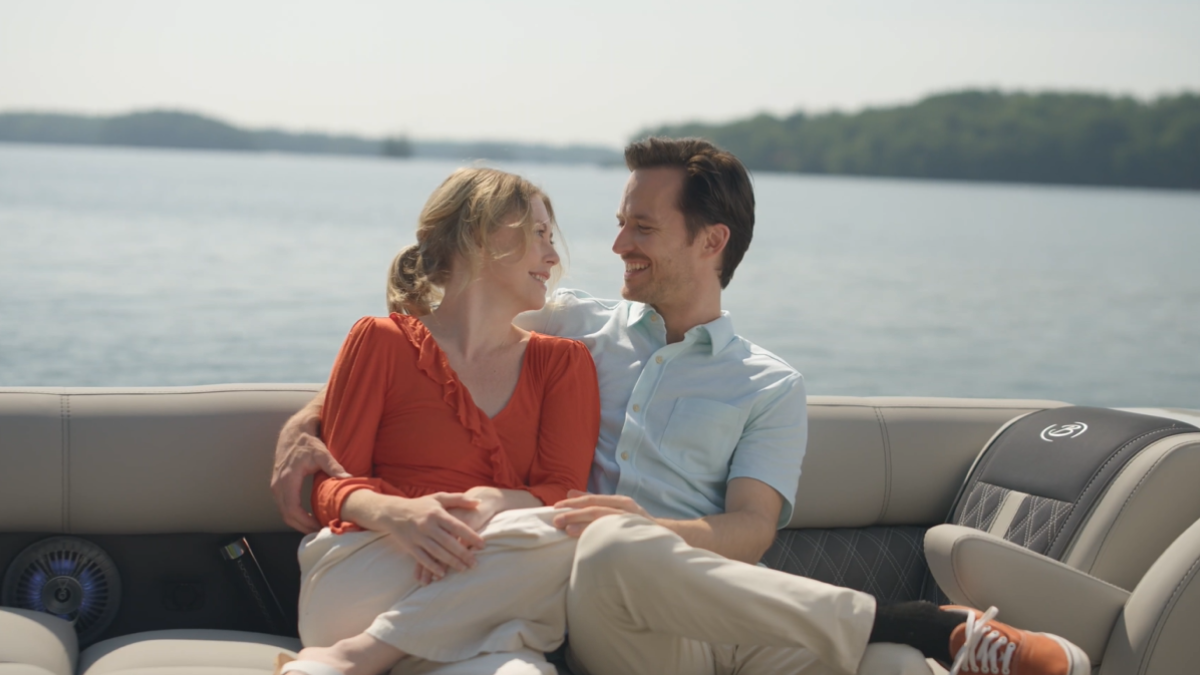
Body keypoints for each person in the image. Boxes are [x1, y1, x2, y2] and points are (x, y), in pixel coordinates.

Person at [273, 139, 1091, 675]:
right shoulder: (573, 326)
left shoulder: (769, 384)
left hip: (714, 604)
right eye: (620, 222)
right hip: (596, 598)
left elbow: (752, 530)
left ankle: (932, 642)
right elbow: (440, 343)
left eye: (641, 226)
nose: (618, 243)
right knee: (603, 546)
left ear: (711, 242)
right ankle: (920, 619)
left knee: (885, 670)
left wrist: (654, 529)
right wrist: (308, 422)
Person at [276, 168, 602, 675]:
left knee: (584, 533)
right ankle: (363, 649)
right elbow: (329, 488)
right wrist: (398, 515)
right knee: (571, 536)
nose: (553, 255)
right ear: (479, 237)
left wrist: (496, 501)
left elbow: (565, 496)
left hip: (485, 598)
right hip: (367, 569)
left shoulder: (561, 364)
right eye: (538, 233)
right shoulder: (380, 341)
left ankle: (358, 660)